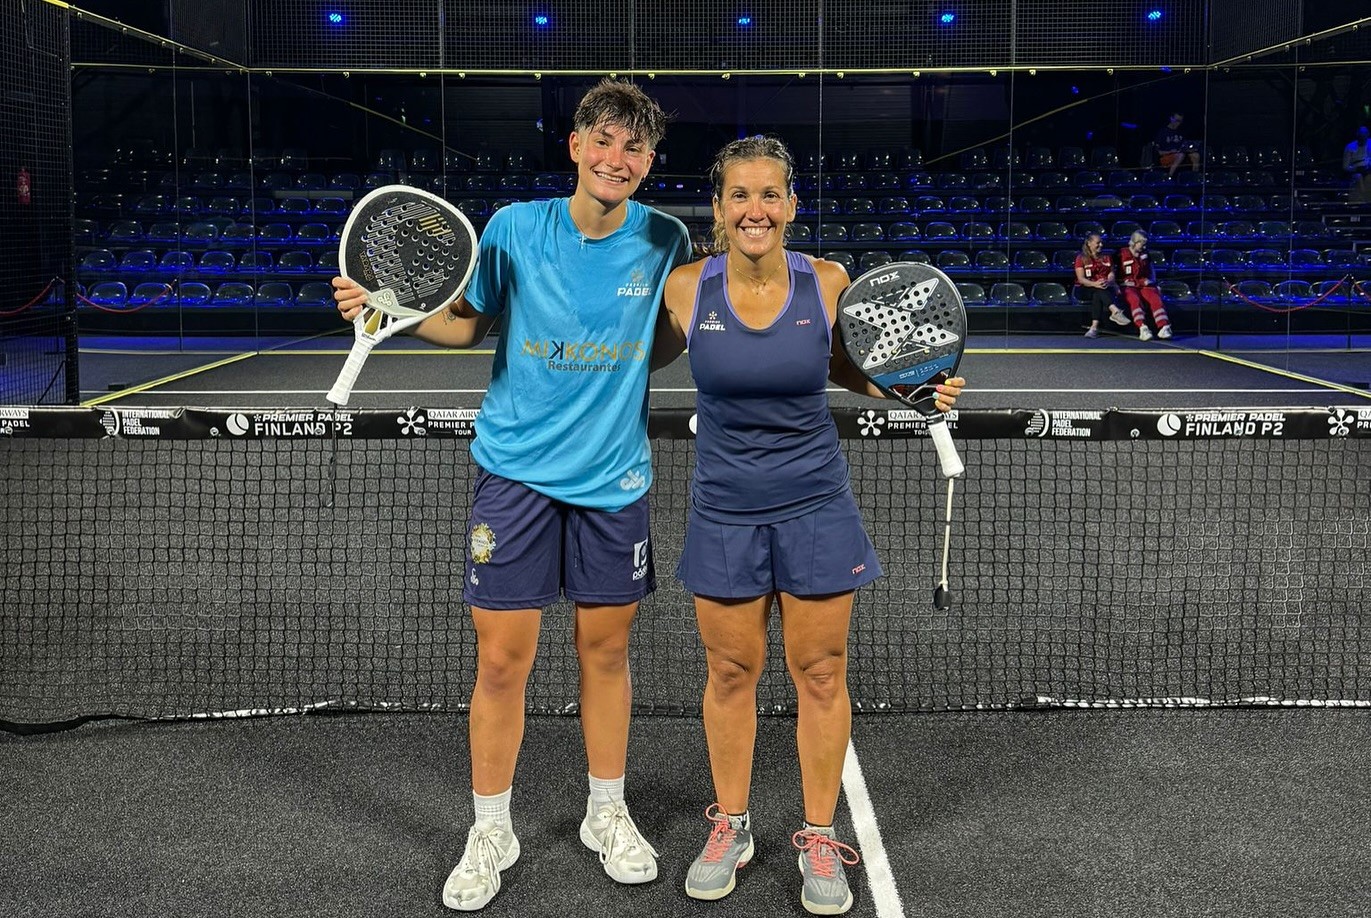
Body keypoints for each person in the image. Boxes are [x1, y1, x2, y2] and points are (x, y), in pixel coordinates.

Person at [334, 79, 692, 912]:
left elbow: (666, 347)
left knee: (605, 656)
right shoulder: (513, 228)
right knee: (501, 662)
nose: (618, 158)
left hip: (612, 481)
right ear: (575, 146)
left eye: (634, 148)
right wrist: (386, 307)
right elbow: (465, 325)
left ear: (647, 162)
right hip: (515, 476)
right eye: (603, 141)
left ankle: (608, 811)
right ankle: (489, 827)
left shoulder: (666, 239)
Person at [653, 136, 965, 915]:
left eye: (768, 195)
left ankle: (819, 834)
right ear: (719, 209)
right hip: (723, 509)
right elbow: (616, 358)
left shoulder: (827, 281)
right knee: (729, 675)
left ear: (791, 205)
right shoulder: (686, 289)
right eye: (738, 196)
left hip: (816, 505)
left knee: (821, 675)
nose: (754, 209)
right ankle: (731, 824)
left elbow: (849, 369)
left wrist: (915, 391)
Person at [1117, 230, 1173, 340]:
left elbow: (1151, 270)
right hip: (1127, 285)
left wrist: (1153, 282)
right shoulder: (1120, 254)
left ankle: (1163, 327)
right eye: (1142, 245)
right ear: (1134, 242)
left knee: (1155, 298)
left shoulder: (1146, 254)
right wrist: (1115, 285)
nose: (1144, 247)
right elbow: (1112, 271)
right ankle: (1143, 328)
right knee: (1134, 300)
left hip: (1144, 283)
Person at [1074, 231, 1128, 339]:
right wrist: (1095, 283)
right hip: (1085, 288)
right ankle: (1115, 311)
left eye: (1102, 242)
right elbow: (1081, 279)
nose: (1101, 245)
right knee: (1097, 290)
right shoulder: (1081, 258)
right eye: (1098, 243)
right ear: (1089, 243)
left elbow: (1111, 273)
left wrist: (1108, 281)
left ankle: (1094, 328)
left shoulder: (1107, 257)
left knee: (1098, 294)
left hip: (1104, 287)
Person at [1155, 112, 1200, 178]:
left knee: (1196, 155)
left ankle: (1195, 177)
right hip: (1166, 156)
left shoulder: (1180, 132)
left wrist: (1190, 149)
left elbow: (1184, 147)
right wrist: (1171, 152)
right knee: (1180, 155)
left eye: (1180, 121)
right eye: (1177, 120)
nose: (1178, 123)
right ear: (1171, 119)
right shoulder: (1162, 132)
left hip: (1180, 155)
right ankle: (1169, 176)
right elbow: (1158, 152)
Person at [1343, 125, 1371, 204]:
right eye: (1361, 136)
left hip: (1369, 170)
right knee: (1358, 178)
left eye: (1365, 136)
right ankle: (1363, 199)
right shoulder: (1350, 147)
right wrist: (1355, 168)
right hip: (1356, 171)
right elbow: (1345, 167)